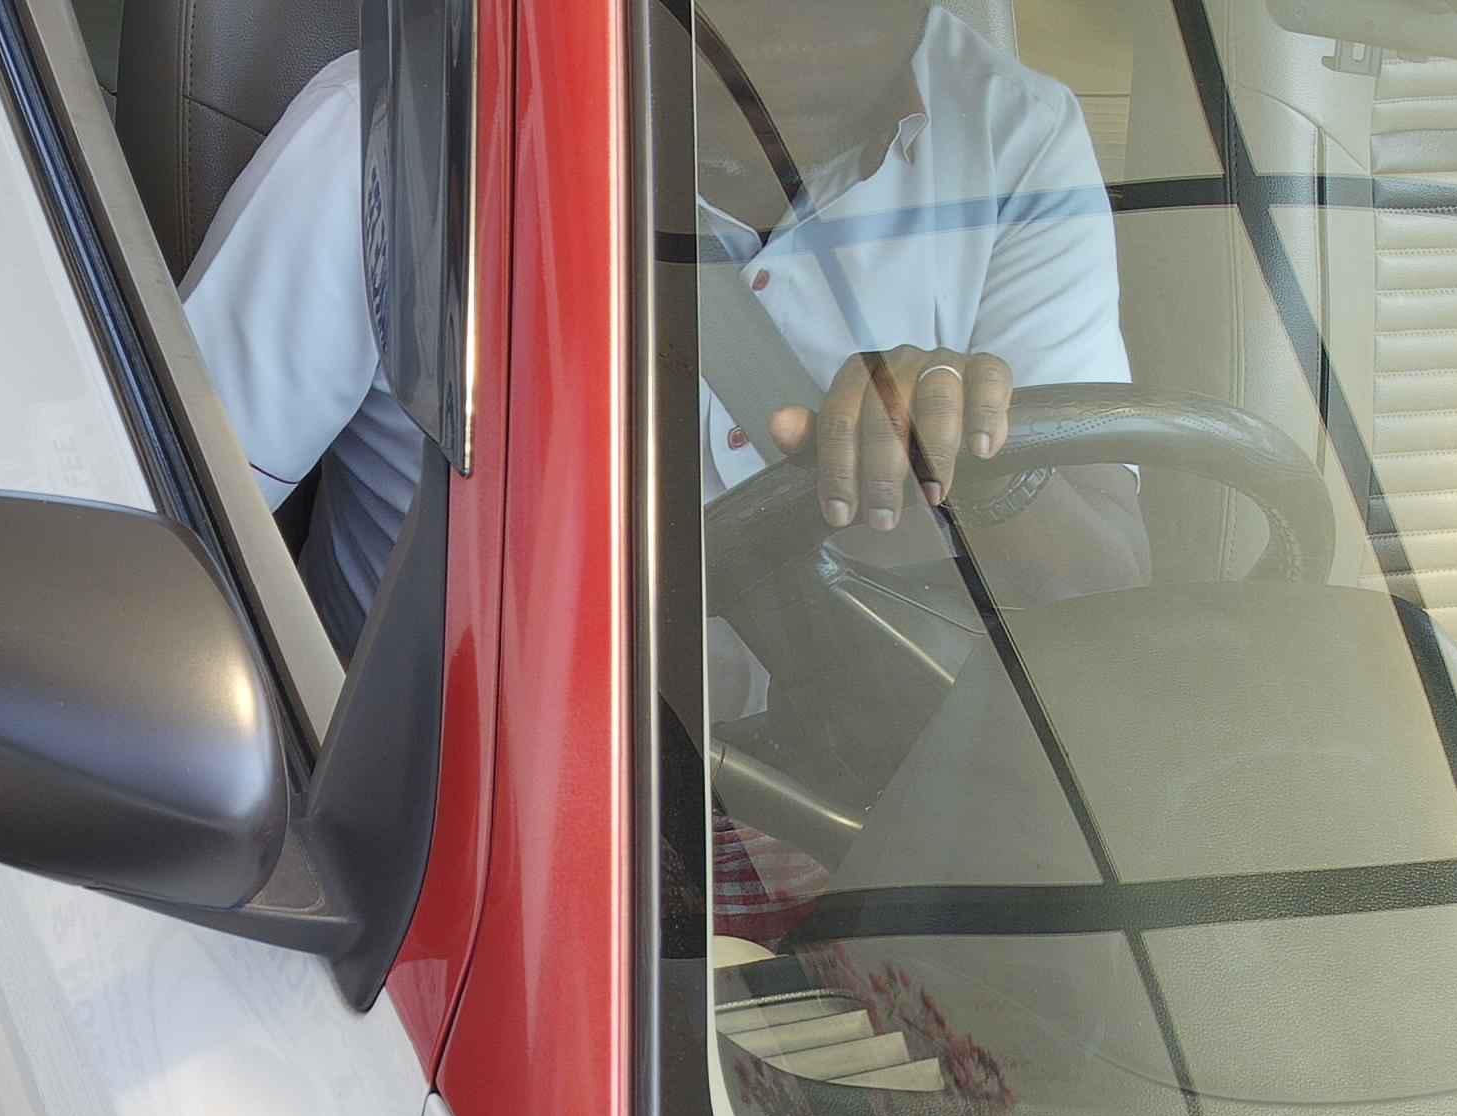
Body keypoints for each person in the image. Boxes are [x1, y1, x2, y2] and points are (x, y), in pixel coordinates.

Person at [182, 1, 1150, 942]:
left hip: (844, 841)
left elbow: (1109, 582)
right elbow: (171, 547)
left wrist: (986, 461)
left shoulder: (1012, 138)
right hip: (453, 847)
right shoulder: (405, 136)